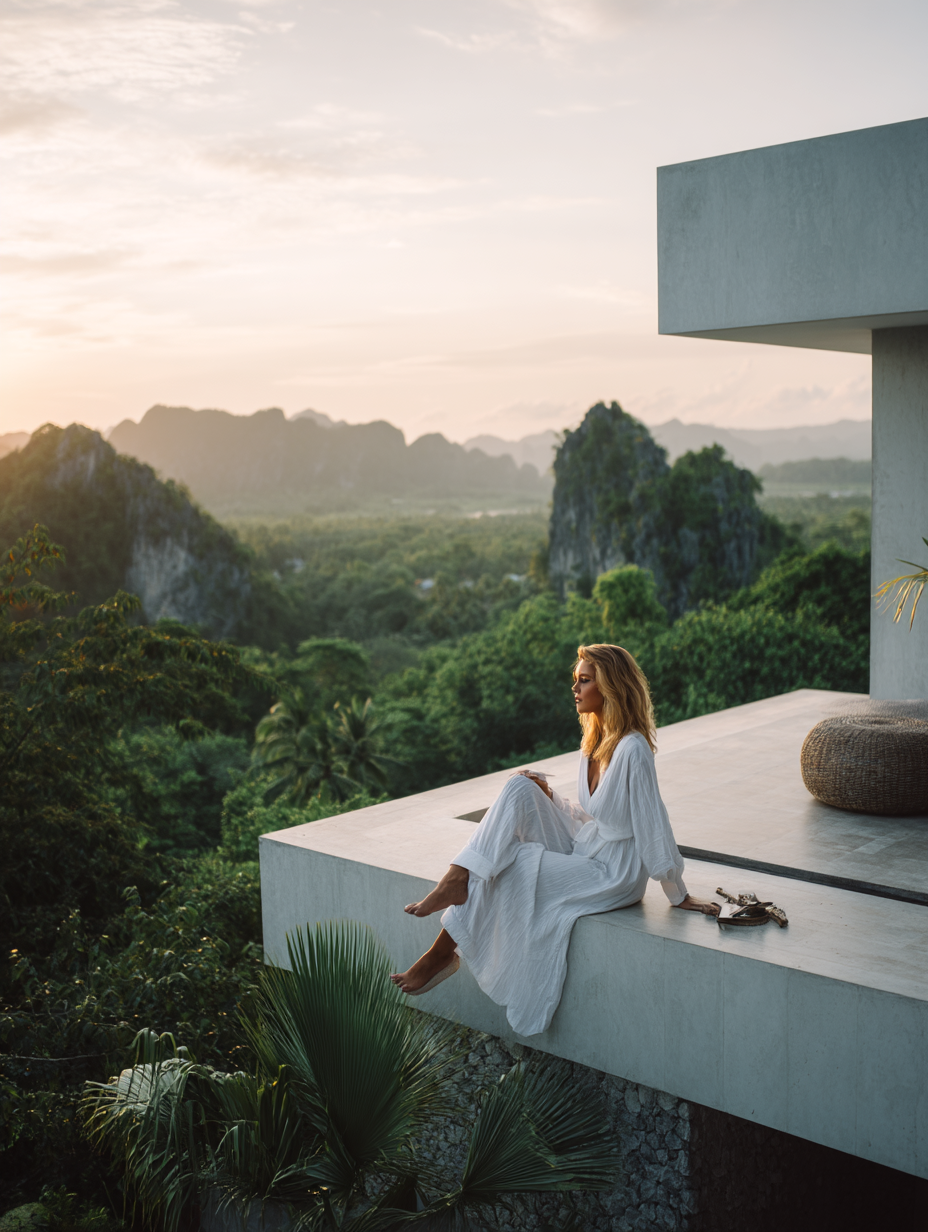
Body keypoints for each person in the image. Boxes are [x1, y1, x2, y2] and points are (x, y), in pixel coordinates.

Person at [389, 643, 720, 1037]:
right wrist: (550, 799)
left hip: (613, 871)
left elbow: (652, 822)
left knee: (515, 863)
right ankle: (458, 877)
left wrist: (677, 893)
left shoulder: (633, 749)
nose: (575, 689)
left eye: (584, 680)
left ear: (611, 686)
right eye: (575, 680)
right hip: (586, 845)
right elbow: (593, 813)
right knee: (519, 787)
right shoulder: (594, 741)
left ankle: (443, 948)